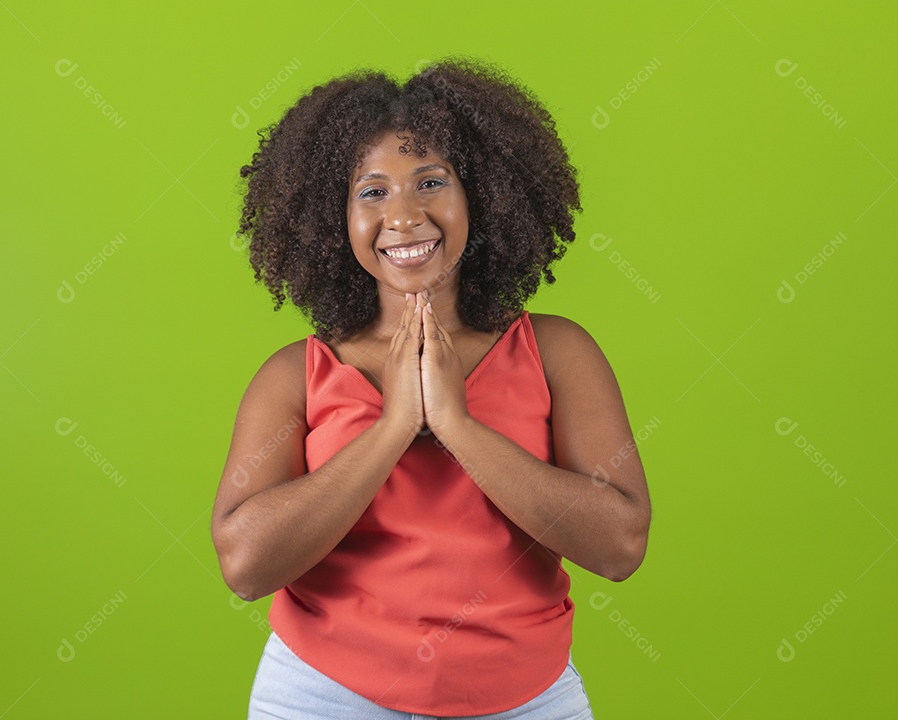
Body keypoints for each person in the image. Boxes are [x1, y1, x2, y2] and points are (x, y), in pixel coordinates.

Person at [211, 56, 651, 719]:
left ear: (482, 193)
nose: (405, 215)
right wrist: (393, 427)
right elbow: (245, 566)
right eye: (372, 191)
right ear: (335, 217)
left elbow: (620, 546)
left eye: (431, 182)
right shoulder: (294, 376)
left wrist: (458, 426)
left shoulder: (557, 352)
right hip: (323, 698)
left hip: (525, 699)